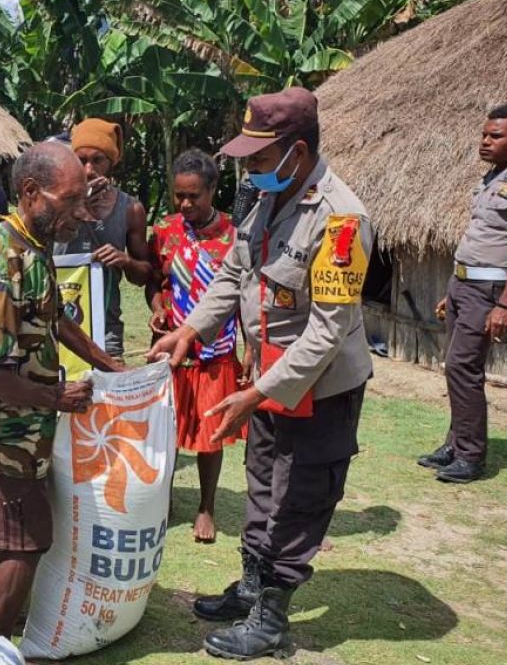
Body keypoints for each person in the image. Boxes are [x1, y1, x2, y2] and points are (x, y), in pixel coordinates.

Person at [149, 87, 373, 660]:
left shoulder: (341, 219)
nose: (248, 167)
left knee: (299, 494)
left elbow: (325, 333)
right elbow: (231, 276)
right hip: (266, 377)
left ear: (297, 153)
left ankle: (271, 620)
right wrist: (189, 332)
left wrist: (256, 393)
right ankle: (251, 586)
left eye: (258, 156)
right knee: (262, 482)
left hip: (317, 388)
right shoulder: (265, 202)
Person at [0, 141, 121, 635]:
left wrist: (106, 361)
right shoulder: (4, 259)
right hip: (3, 435)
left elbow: (52, 317)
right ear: (30, 192)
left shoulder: (30, 245)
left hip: (6, 431)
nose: (81, 214)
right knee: (25, 541)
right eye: (69, 201)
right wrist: (56, 398)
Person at [420, 104, 507, 484]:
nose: (486, 141)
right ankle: (455, 444)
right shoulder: (491, 178)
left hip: (489, 289)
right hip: (463, 283)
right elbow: (480, 236)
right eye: (484, 135)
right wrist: (454, 288)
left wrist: (505, 304)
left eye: (496, 136)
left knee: (464, 368)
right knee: (457, 367)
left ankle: (471, 457)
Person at [146, 149, 245, 544]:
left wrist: (250, 346)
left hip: (214, 352)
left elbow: (243, 295)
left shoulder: (236, 236)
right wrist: (156, 306)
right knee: (164, 430)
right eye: (179, 196)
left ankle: (206, 506)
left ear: (213, 191)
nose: (185, 204)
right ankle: (162, 499)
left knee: (210, 433)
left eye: (194, 196)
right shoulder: (165, 231)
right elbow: (155, 280)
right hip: (170, 350)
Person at [54, 118, 151, 359]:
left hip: (105, 332)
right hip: (55, 327)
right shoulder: (54, 203)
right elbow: (36, 248)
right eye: (81, 160)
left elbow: (144, 275)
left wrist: (125, 261)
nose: (89, 170)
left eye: (98, 160)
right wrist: (77, 206)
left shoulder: (130, 209)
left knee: (105, 395)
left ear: (111, 162)